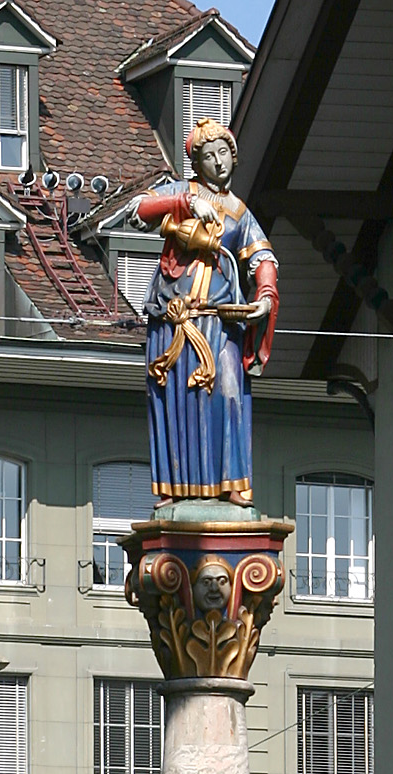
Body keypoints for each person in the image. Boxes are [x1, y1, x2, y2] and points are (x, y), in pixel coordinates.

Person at [134, 119, 279, 506]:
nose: (218, 162)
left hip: (219, 321)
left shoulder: (239, 213)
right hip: (174, 318)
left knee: (229, 392)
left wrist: (265, 292)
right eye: (208, 156)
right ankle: (173, 488)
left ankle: (232, 483)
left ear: (234, 157)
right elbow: (141, 209)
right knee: (172, 399)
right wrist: (185, 202)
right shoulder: (183, 192)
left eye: (223, 154)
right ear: (196, 164)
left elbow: (262, 257)